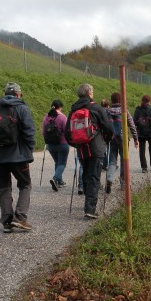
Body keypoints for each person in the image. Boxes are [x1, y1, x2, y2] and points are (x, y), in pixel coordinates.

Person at [0, 82, 36, 233]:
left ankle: (6, 222)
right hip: (19, 157)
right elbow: (29, 132)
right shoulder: (22, 108)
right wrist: (28, 150)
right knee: (25, 185)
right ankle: (20, 217)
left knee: (4, 188)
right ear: (18, 94)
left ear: (5, 93)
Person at [65, 83, 113, 219]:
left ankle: (88, 203)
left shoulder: (73, 110)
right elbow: (108, 128)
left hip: (81, 148)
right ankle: (90, 209)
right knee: (94, 177)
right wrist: (106, 141)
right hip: (96, 147)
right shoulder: (96, 108)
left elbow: (67, 133)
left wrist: (77, 144)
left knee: (86, 173)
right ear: (90, 94)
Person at [105, 92, 138, 193]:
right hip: (123, 139)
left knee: (112, 161)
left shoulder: (107, 111)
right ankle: (123, 185)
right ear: (120, 100)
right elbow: (132, 125)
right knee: (124, 161)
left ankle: (109, 179)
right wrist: (136, 139)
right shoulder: (124, 111)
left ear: (112, 100)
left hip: (112, 139)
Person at [42, 99, 69, 191]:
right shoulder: (62, 117)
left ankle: (59, 181)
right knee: (62, 163)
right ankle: (55, 178)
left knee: (57, 162)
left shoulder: (46, 118)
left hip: (50, 145)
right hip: (62, 144)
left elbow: (43, 132)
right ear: (60, 107)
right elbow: (67, 131)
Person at [133, 94, 151, 173]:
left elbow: (134, 122)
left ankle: (144, 168)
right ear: (149, 101)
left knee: (142, 150)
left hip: (141, 133)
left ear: (142, 100)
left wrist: (139, 124)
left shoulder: (137, 110)